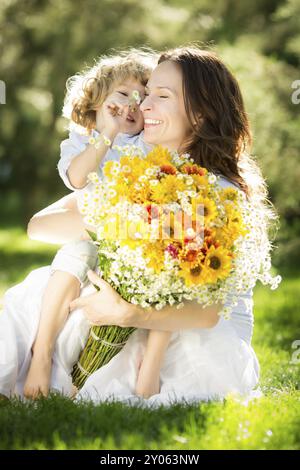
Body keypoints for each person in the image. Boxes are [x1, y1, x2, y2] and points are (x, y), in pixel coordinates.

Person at [0, 46, 275, 407]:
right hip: (137, 308)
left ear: (202, 112)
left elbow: (206, 314)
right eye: (147, 95)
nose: (143, 106)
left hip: (193, 330)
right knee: (44, 287)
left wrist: (128, 312)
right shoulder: (137, 172)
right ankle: (42, 362)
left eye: (161, 97)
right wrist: (132, 219)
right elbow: (40, 227)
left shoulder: (219, 194)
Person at [22, 49, 157, 399]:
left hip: (129, 244)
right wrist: (106, 133)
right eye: (122, 96)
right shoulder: (82, 141)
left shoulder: (147, 143)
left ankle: (85, 373)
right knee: (75, 253)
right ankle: (42, 352)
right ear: (96, 101)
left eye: (141, 100)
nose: (132, 105)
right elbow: (79, 178)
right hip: (93, 235)